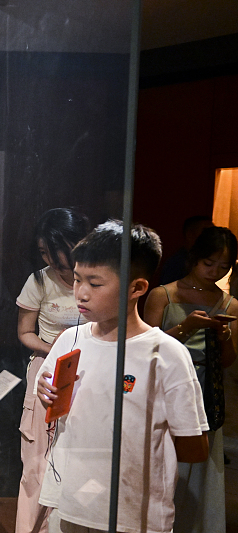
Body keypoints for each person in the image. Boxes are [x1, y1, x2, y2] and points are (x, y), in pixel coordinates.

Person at [36, 220, 209, 533]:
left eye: (95, 283)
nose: (81, 293)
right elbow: (54, 400)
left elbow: (194, 446)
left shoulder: (166, 354)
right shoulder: (68, 339)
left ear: (137, 288)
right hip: (71, 503)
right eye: (77, 280)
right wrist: (44, 391)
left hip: (133, 515)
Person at [143, 225, 238, 533]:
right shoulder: (162, 295)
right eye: (208, 263)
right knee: (163, 460)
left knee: (201, 466)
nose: (214, 272)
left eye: (223, 267)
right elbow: (145, 349)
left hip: (206, 391)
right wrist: (186, 328)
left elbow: (227, 361)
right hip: (165, 388)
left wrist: (223, 337)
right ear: (194, 258)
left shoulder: (229, 305)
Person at [15, 208, 89, 533]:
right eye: (43, 251)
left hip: (89, 374)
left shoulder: (93, 278)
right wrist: (58, 347)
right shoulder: (39, 281)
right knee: (37, 461)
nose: (49, 259)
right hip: (47, 372)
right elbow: (24, 333)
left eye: (54, 252)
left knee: (81, 455)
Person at [158, 215, 212, 285]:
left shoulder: (206, 260)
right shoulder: (176, 264)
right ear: (190, 234)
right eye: (205, 231)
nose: (211, 236)